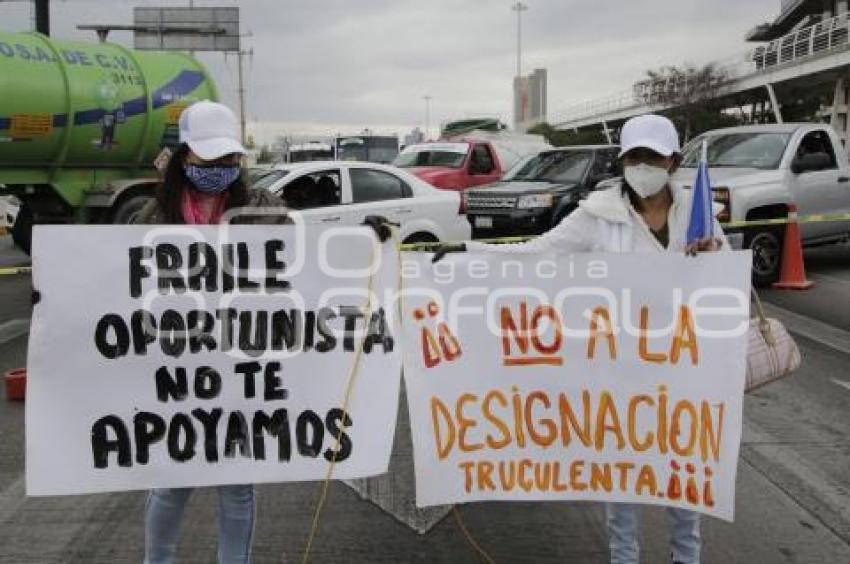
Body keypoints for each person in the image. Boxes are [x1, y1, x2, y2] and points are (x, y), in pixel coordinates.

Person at [451, 114, 728, 564]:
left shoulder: (699, 214)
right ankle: (624, 558)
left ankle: (686, 557)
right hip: (619, 366)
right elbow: (537, 253)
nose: (642, 165)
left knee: (685, 471)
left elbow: (728, 283)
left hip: (683, 366)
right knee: (620, 476)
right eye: (634, 156)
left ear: (673, 160)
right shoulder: (597, 215)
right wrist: (466, 254)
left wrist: (715, 256)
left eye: (652, 157)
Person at [136, 100, 288, 564]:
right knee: (172, 481)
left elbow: (303, 253)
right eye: (210, 159)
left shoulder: (260, 207)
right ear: (185, 157)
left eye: (230, 160)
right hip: (177, 363)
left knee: (237, 485)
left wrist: (367, 243)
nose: (221, 169)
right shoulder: (152, 215)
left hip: (239, 362)